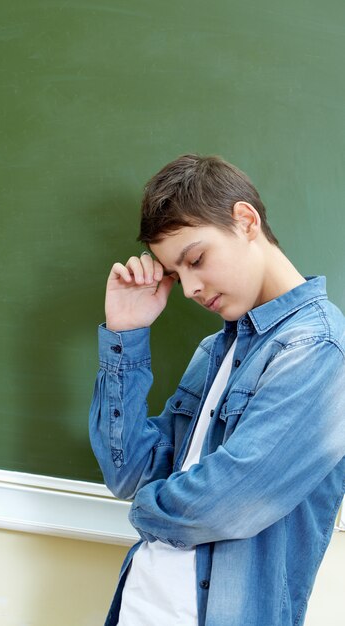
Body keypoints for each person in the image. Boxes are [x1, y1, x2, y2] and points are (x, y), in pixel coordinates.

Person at [89, 154, 345, 626]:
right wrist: (124, 335)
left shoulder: (320, 349)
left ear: (245, 220)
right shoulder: (214, 350)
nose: (189, 288)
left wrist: (145, 511)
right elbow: (127, 473)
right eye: (176, 273)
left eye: (196, 260)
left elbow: (232, 500)